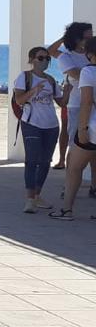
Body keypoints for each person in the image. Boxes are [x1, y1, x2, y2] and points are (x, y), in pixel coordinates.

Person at [50, 37, 96, 221]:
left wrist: (82, 128)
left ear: (88, 53)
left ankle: (66, 210)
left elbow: (86, 102)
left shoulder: (88, 71)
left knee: (74, 168)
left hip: (92, 127)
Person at [13, 46, 62, 213]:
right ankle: (29, 199)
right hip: (32, 123)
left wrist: (69, 91)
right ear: (32, 59)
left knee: (45, 162)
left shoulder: (51, 80)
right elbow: (19, 100)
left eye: (47, 58)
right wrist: (34, 90)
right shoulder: (24, 77)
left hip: (51, 126)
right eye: (41, 58)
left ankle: (37, 195)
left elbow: (61, 102)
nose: (45, 61)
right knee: (32, 161)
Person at [48, 22, 93, 172]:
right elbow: (78, 74)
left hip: (93, 105)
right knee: (75, 144)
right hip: (76, 105)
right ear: (77, 38)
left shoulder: (91, 54)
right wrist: (65, 38)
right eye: (88, 36)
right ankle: (69, 182)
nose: (91, 38)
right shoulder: (67, 56)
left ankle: (93, 184)